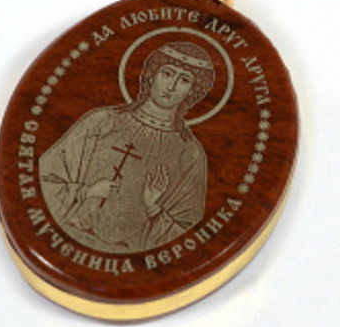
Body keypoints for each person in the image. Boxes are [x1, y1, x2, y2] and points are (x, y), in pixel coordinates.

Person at [39, 41, 215, 253]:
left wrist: (153, 208)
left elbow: (188, 235)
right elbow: (45, 178)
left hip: (129, 256)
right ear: (151, 75)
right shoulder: (102, 121)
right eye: (167, 73)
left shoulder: (190, 153)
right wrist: (86, 192)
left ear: (192, 92)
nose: (172, 86)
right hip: (68, 236)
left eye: (184, 80)